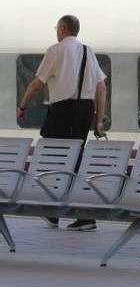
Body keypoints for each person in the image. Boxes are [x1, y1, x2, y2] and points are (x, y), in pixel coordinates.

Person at [17, 14, 107, 231]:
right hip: (85, 111)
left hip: (62, 110)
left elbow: (37, 84)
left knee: (55, 160)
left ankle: (65, 213)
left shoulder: (56, 50)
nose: (56, 31)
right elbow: (101, 87)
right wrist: (98, 121)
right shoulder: (88, 51)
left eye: (57, 27)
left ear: (64, 28)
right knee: (74, 160)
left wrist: (23, 106)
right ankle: (72, 213)